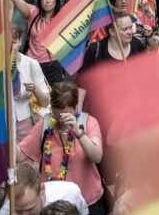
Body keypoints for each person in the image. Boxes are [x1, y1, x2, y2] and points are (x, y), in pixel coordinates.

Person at [17, 81, 104, 214]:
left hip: (87, 203)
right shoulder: (45, 124)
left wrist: (78, 132)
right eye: (56, 114)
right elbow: (20, 154)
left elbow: (97, 156)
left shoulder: (89, 123)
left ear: (74, 107)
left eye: (64, 115)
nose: (60, 120)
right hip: (54, 207)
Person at [9, 0, 67, 85]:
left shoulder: (62, 15)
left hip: (54, 65)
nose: (47, 1)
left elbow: (80, 4)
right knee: (34, 100)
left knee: (55, 100)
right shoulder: (33, 12)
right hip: (33, 64)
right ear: (40, 0)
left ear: (56, 0)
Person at [0, 161, 88, 215]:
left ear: (41, 189)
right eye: (18, 211)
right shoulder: (7, 211)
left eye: (30, 209)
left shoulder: (70, 193)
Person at [10, 24, 52, 141]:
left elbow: (45, 102)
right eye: (6, 43)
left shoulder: (31, 64)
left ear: (20, 41)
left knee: (26, 158)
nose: (10, 47)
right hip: (1, 123)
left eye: (13, 42)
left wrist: (34, 89)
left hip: (26, 123)